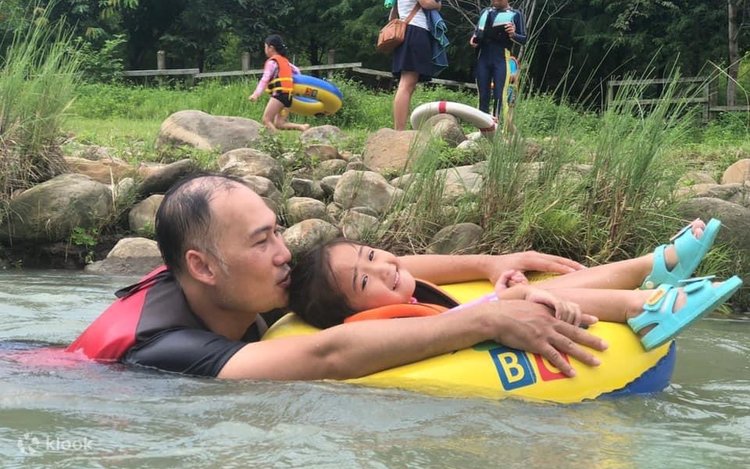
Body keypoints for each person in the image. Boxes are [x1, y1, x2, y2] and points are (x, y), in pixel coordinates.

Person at [67, 172, 608, 379]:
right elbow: (326, 357)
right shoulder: (164, 348)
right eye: (261, 240)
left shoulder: (241, 280)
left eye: (276, 231)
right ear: (202, 266)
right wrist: (486, 320)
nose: (284, 252)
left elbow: (367, 271)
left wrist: (488, 264)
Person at [289, 222, 742, 351]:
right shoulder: (377, 328)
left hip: (471, 323)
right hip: (475, 345)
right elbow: (458, 325)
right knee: (532, 297)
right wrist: (511, 296)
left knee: (562, 283)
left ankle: (653, 267)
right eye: (364, 279)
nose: (384, 268)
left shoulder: (402, 284)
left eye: (372, 255)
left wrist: (498, 274)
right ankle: (643, 308)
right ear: (355, 311)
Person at [470, 0, 527, 123]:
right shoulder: (485, 12)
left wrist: (513, 34)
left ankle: (499, 128)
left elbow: (523, 40)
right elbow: (476, 33)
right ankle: (483, 127)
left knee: (500, 95)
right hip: (483, 58)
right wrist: (474, 40)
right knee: (483, 95)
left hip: (502, 58)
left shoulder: (515, 14)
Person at [390, 0, 443, 131]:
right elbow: (426, 3)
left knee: (408, 84)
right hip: (415, 31)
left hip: (407, 31)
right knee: (406, 84)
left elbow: (392, 16)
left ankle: (400, 127)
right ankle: (399, 130)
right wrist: (438, 5)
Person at [248, 34, 310, 133]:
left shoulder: (272, 62)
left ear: (271, 48)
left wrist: (256, 94)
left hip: (279, 96)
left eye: (265, 47)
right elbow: (297, 71)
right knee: (279, 123)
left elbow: (264, 79)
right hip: (288, 97)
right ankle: (302, 127)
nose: (265, 49)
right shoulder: (286, 62)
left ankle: (278, 140)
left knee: (266, 120)